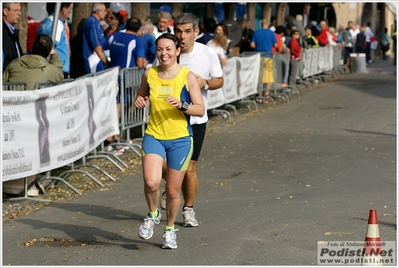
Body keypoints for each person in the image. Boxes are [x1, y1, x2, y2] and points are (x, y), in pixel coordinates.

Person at [135, 33, 205, 249]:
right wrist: (140, 100)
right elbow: (142, 96)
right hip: (154, 134)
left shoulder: (188, 76)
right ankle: (153, 214)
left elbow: (200, 109)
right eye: (159, 49)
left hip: (180, 139)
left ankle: (169, 229)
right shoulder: (150, 74)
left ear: (177, 51)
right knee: (151, 182)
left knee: (174, 191)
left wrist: (182, 105)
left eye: (168, 49)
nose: (163, 53)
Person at [158, 13, 224, 228]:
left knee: (191, 167)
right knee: (164, 165)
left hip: (195, 120)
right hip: (168, 120)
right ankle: (170, 188)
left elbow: (219, 81)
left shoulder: (207, 53)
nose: (182, 36)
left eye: (187, 31)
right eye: (178, 31)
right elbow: (152, 77)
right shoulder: (168, 52)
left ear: (196, 32)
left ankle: (188, 209)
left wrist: (205, 83)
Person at [102, 17, 148, 154]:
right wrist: (145, 63)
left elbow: (99, 47)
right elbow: (140, 63)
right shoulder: (137, 40)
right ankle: (111, 141)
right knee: (119, 109)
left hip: (112, 76)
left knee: (115, 107)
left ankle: (114, 138)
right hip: (125, 79)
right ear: (139, 30)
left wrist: (107, 63)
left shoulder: (114, 35)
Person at [36, 3, 72, 79]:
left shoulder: (45, 22)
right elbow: (51, 48)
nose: (70, 11)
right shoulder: (57, 24)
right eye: (70, 9)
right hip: (57, 69)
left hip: (51, 68)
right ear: (64, 10)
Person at [250, 19, 277, 104]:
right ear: (268, 24)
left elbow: (252, 44)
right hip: (268, 56)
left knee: (259, 76)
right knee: (269, 77)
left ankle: (259, 95)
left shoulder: (256, 32)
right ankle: (267, 94)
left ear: (261, 24)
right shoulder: (271, 33)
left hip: (258, 56)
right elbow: (276, 44)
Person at [81, 3, 110, 74]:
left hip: (97, 60)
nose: (106, 13)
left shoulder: (96, 23)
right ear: (98, 11)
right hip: (94, 61)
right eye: (104, 11)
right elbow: (97, 47)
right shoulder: (92, 23)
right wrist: (107, 63)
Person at [3, 2, 23, 71]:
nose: (19, 14)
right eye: (15, 10)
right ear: (5, 11)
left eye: (20, 10)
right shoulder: (3, 32)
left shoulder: (13, 31)